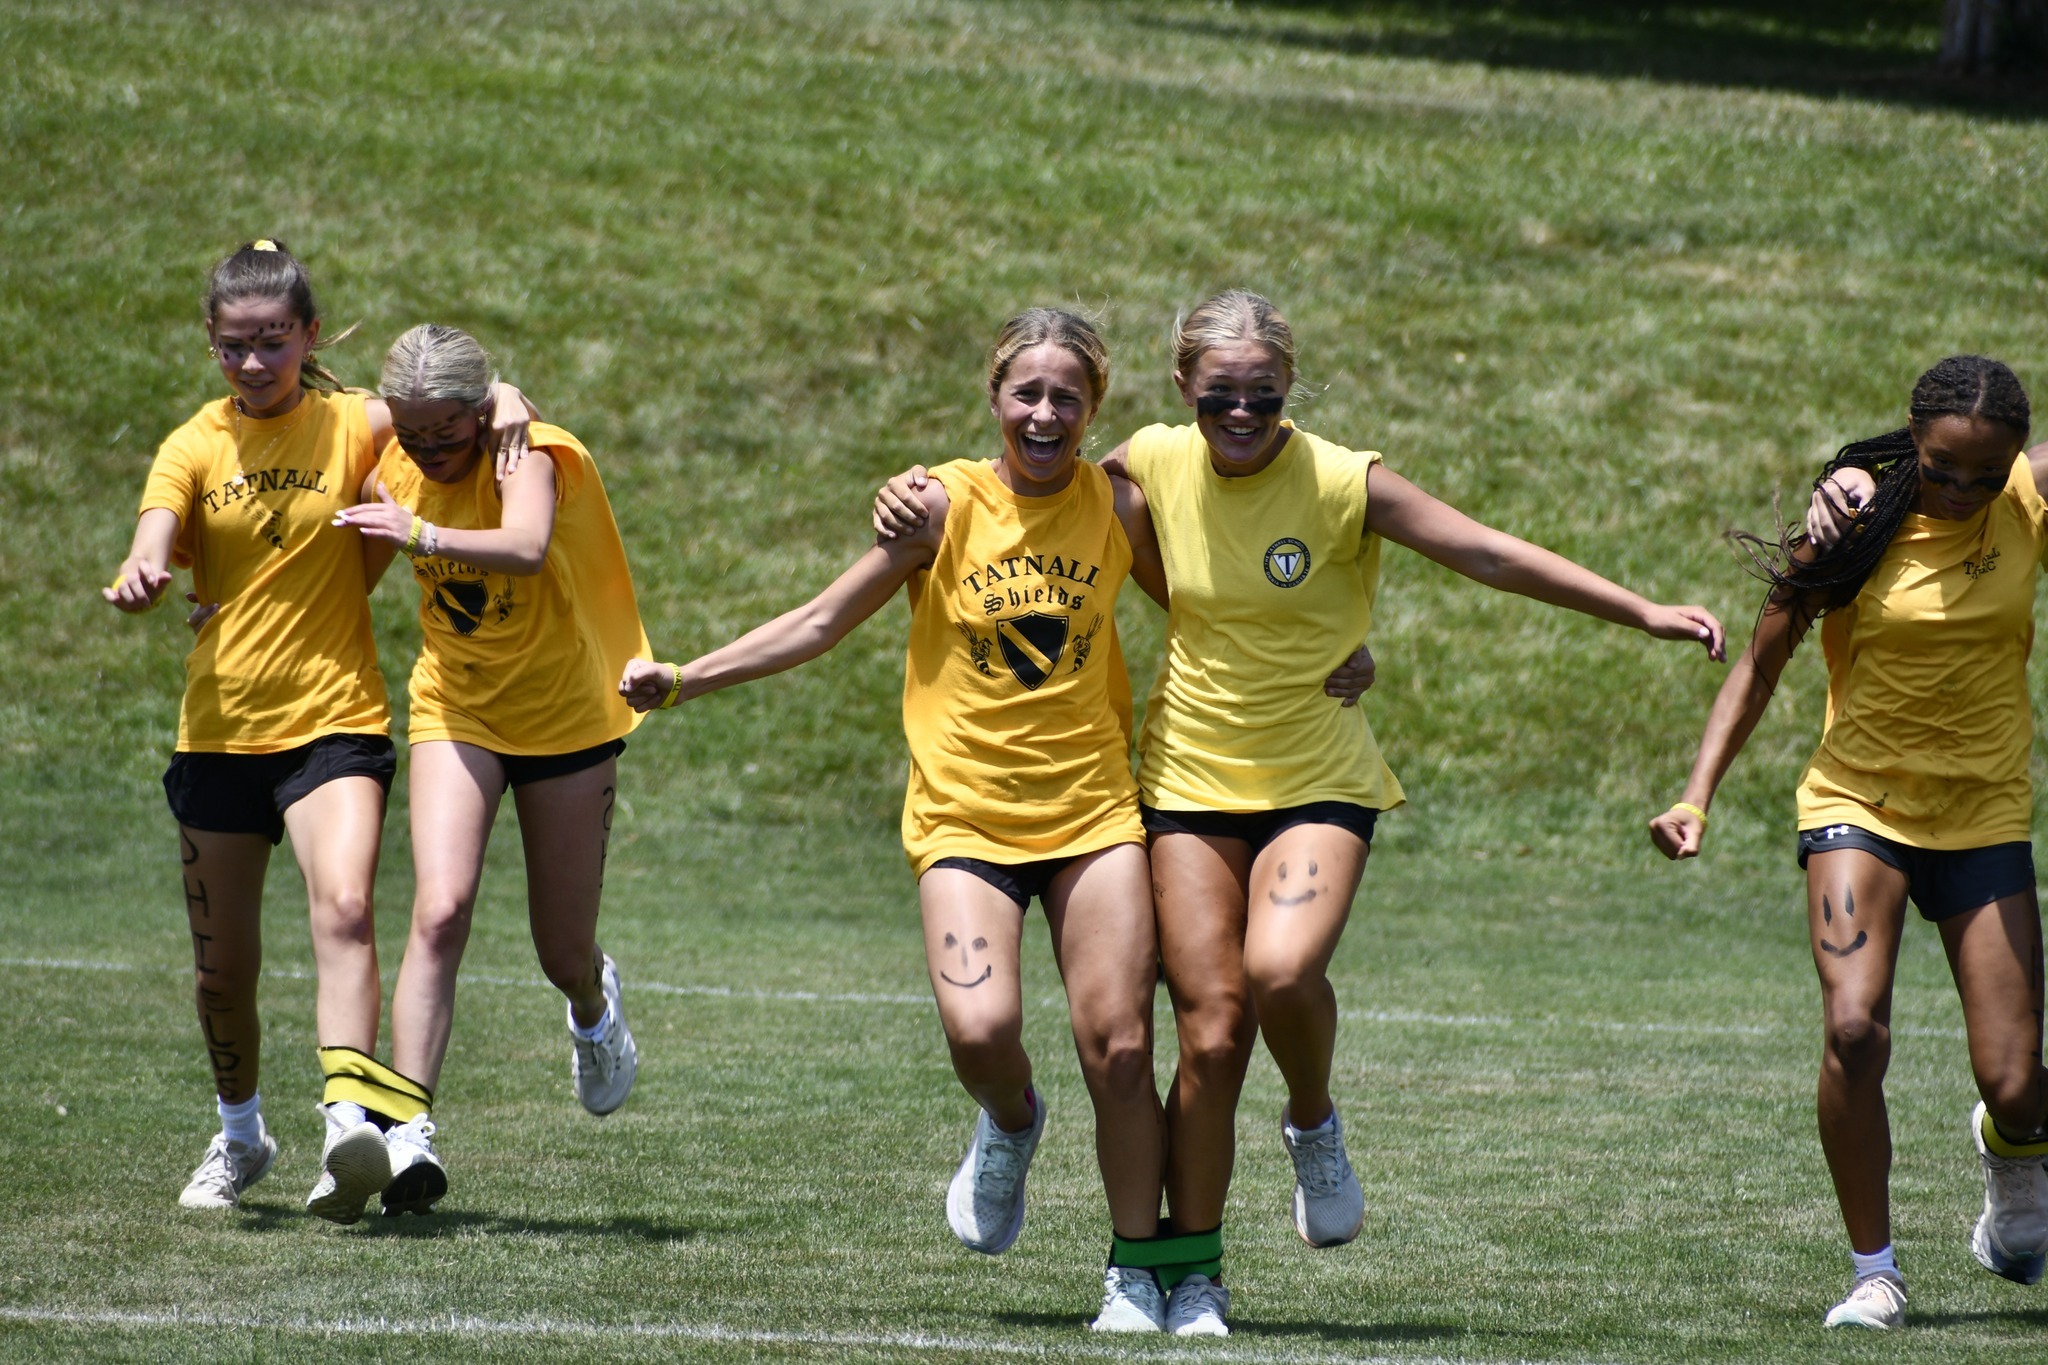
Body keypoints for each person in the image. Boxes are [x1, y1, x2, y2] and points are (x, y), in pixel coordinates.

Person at [876, 288, 1724, 1334]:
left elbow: (1487, 552)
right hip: (1188, 783)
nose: (1239, 412)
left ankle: (1312, 1119)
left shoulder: (1338, 479)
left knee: (1278, 974)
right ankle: (1182, 1273)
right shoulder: (1148, 461)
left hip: (1317, 774)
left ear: (1288, 389)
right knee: (1211, 1035)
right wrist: (905, 492)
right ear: (1182, 387)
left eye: (1263, 395)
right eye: (1218, 395)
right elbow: (1044, 500)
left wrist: (1640, 611)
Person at [626, 308, 1224, 1333]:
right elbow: (821, 620)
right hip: (964, 820)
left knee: (1121, 1050)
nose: (1044, 414)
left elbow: (1215, 611)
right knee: (981, 1032)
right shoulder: (939, 506)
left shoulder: (1117, 504)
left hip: (1091, 814)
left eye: (1066, 396)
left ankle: (1135, 1275)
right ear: (994, 397)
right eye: (1026, 393)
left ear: (1095, 407)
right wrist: (684, 678)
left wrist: (1327, 654)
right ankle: (1010, 1120)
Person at [102, 241, 531, 1219]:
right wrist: (142, 573)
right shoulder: (192, 443)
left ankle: (349, 1123)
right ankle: (241, 1135)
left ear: (309, 335)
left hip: (336, 718)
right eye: (234, 346)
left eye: (273, 342)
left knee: (344, 907)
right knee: (223, 974)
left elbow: (454, 404)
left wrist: (506, 396)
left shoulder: (356, 424)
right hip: (219, 730)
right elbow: (155, 530)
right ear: (211, 343)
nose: (253, 363)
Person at [1652, 355, 2048, 1330]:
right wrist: (1696, 794)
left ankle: (2010, 1156)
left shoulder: (2026, 502)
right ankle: (1875, 1273)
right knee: (1852, 1029)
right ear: (1911, 442)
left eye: (1984, 475)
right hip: (1858, 806)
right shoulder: (1853, 526)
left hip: (1983, 812)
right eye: (1940, 469)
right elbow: (1759, 665)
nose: (1961, 492)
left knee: (2015, 1083)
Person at [331, 323, 651, 1219]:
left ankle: (593, 1004)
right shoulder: (392, 461)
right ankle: (407, 1128)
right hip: (457, 708)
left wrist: (421, 529)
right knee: (439, 909)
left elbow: (527, 544)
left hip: (565, 716)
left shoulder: (526, 451)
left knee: (561, 950)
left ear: (481, 412)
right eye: (411, 432)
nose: (426, 450)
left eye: (445, 432)